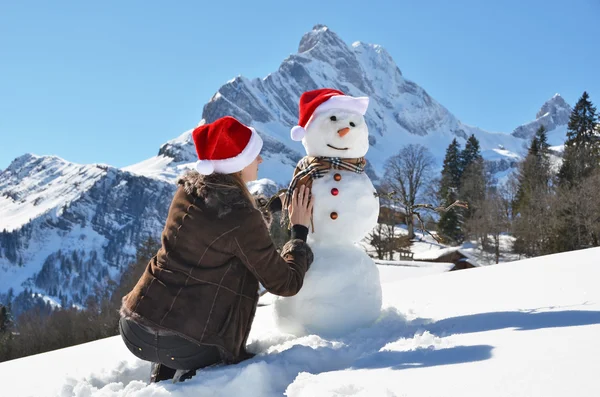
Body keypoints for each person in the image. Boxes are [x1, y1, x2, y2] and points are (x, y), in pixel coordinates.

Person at [119, 116, 314, 383]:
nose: (260, 160)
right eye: (254, 155)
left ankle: (166, 368)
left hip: (137, 326)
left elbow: (221, 227)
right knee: (244, 269)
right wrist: (299, 234)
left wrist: (268, 208)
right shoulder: (242, 219)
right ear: (236, 162)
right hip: (187, 343)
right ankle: (193, 375)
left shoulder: (187, 194)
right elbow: (285, 283)